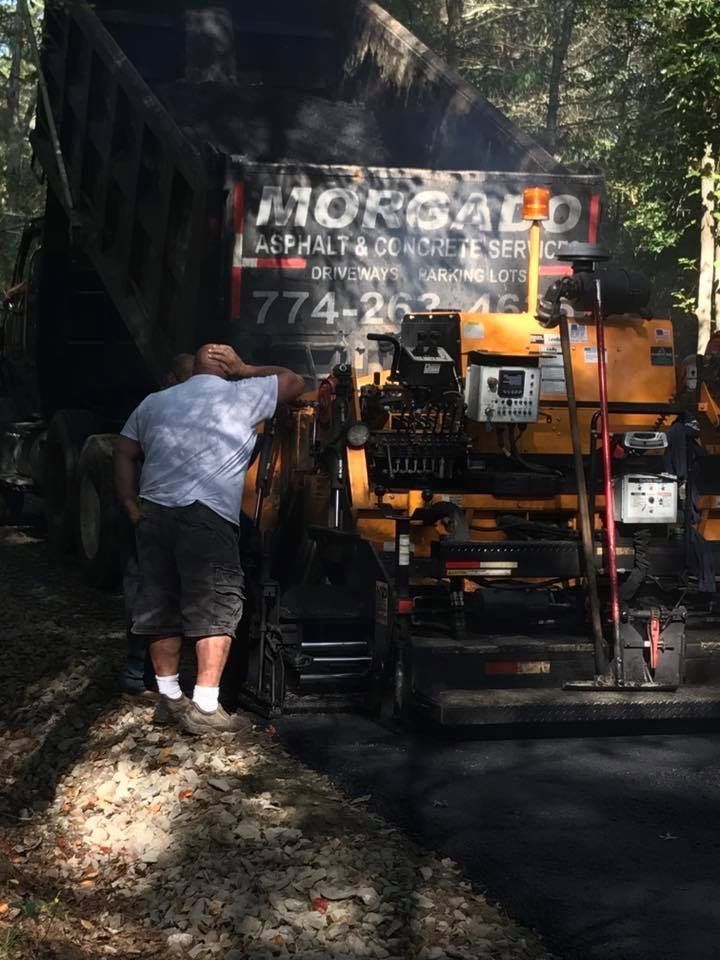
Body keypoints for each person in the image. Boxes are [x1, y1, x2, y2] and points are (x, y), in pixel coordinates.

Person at [113, 344, 305, 734]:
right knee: (216, 604)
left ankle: (168, 699)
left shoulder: (154, 402)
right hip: (206, 515)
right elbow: (295, 382)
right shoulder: (241, 393)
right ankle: (204, 705)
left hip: (154, 513)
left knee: (159, 604)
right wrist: (247, 367)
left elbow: (123, 450)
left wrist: (132, 506)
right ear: (226, 369)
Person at [120, 353, 196, 695]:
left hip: (172, 515)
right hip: (160, 514)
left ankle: (147, 675)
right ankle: (140, 673)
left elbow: (124, 452)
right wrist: (131, 507)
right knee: (149, 592)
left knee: (152, 591)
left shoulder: (159, 406)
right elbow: (125, 452)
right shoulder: (157, 407)